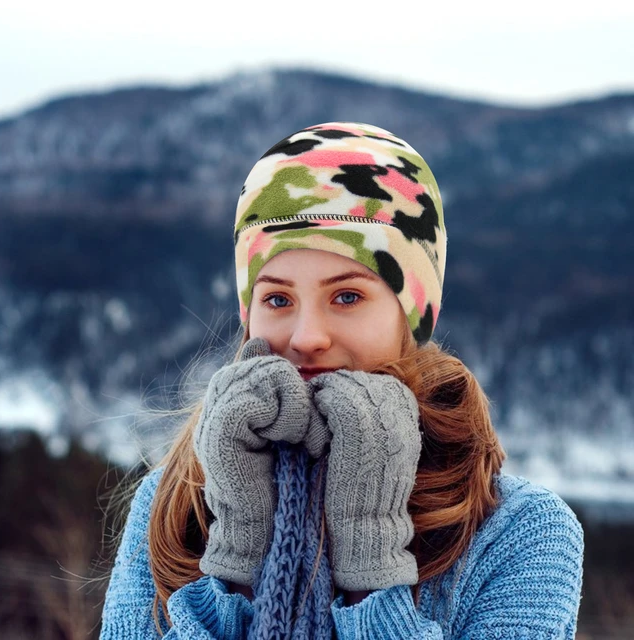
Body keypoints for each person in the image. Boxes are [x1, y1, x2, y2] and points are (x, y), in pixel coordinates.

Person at [100, 122, 583, 639]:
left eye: (347, 296)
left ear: (412, 314)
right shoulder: (174, 501)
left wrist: (371, 564)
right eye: (278, 299)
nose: (307, 337)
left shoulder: (518, 533)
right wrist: (237, 553)